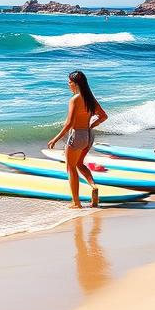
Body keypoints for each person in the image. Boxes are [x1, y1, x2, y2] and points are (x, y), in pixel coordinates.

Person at [47, 70, 109, 208]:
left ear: (75, 84)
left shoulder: (75, 99)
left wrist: (55, 139)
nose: (68, 84)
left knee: (70, 167)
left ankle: (76, 202)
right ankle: (93, 185)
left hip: (76, 136)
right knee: (79, 164)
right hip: (87, 135)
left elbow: (69, 124)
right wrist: (91, 125)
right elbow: (104, 116)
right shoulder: (90, 99)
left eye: (69, 82)